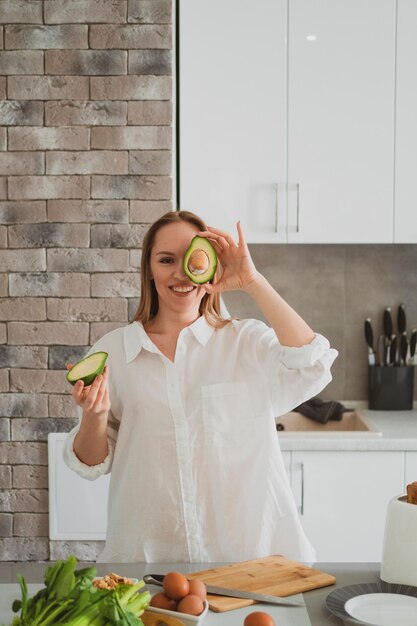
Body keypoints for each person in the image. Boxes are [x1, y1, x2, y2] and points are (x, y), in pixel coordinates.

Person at [64, 210, 338, 563]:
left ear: (211, 264)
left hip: (249, 559)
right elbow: (90, 464)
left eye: (192, 259)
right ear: (149, 269)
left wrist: (253, 280)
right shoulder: (112, 352)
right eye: (166, 260)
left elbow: (312, 364)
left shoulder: (246, 342)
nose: (180, 273)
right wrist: (94, 415)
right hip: (149, 559)